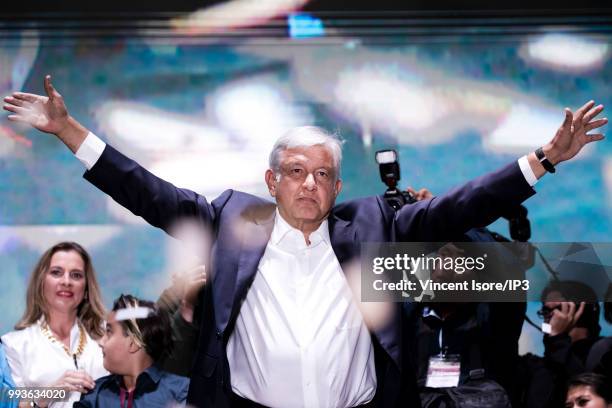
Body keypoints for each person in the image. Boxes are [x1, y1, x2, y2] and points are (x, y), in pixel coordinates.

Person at [2, 75, 607, 408]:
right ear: (271, 180)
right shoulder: (232, 223)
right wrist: (69, 131)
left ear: (338, 185)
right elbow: (149, 193)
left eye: (322, 175)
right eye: (295, 172)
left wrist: (547, 157)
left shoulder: (374, 224)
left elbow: (462, 205)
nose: (309, 185)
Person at [1, 242, 108, 407]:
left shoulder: (108, 337)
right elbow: (11, 402)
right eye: (56, 272)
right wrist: (53, 391)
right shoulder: (15, 345)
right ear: (41, 283)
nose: (66, 281)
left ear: (86, 289)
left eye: (76, 275)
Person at [75, 294, 189, 407]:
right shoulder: (95, 393)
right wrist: (57, 390)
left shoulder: (181, 392)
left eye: (109, 332)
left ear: (133, 343)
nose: (100, 342)